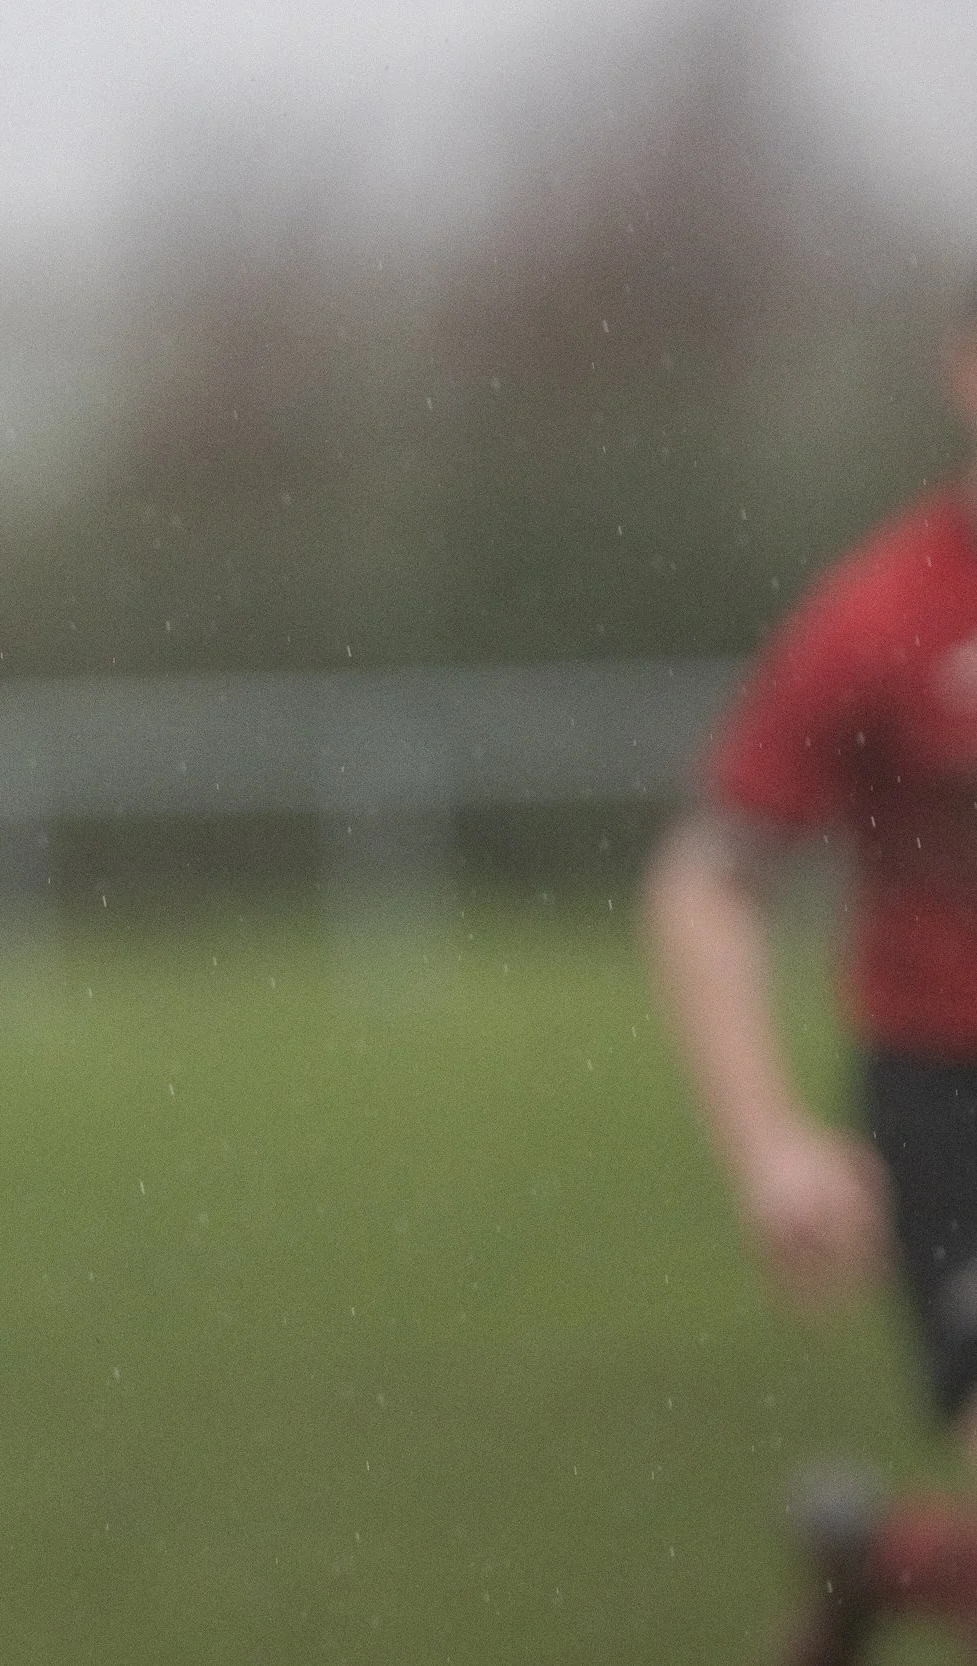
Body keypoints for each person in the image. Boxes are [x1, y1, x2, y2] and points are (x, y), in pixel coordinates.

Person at [645, 293, 977, 1661]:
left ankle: (883, 1565)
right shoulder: (885, 615)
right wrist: (771, 1143)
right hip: (954, 1103)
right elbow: (708, 883)